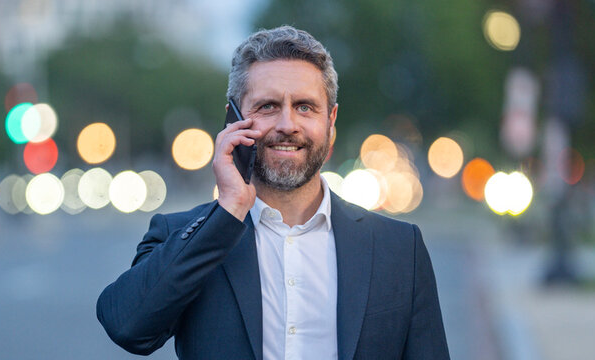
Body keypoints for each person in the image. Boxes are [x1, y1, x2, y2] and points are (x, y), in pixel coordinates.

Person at [97, 25, 449, 360]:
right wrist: (228, 210)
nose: (287, 125)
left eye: (305, 107)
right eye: (267, 106)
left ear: (330, 123)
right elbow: (127, 326)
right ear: (233, 120)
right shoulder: (184, 237)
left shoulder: (401, 250)